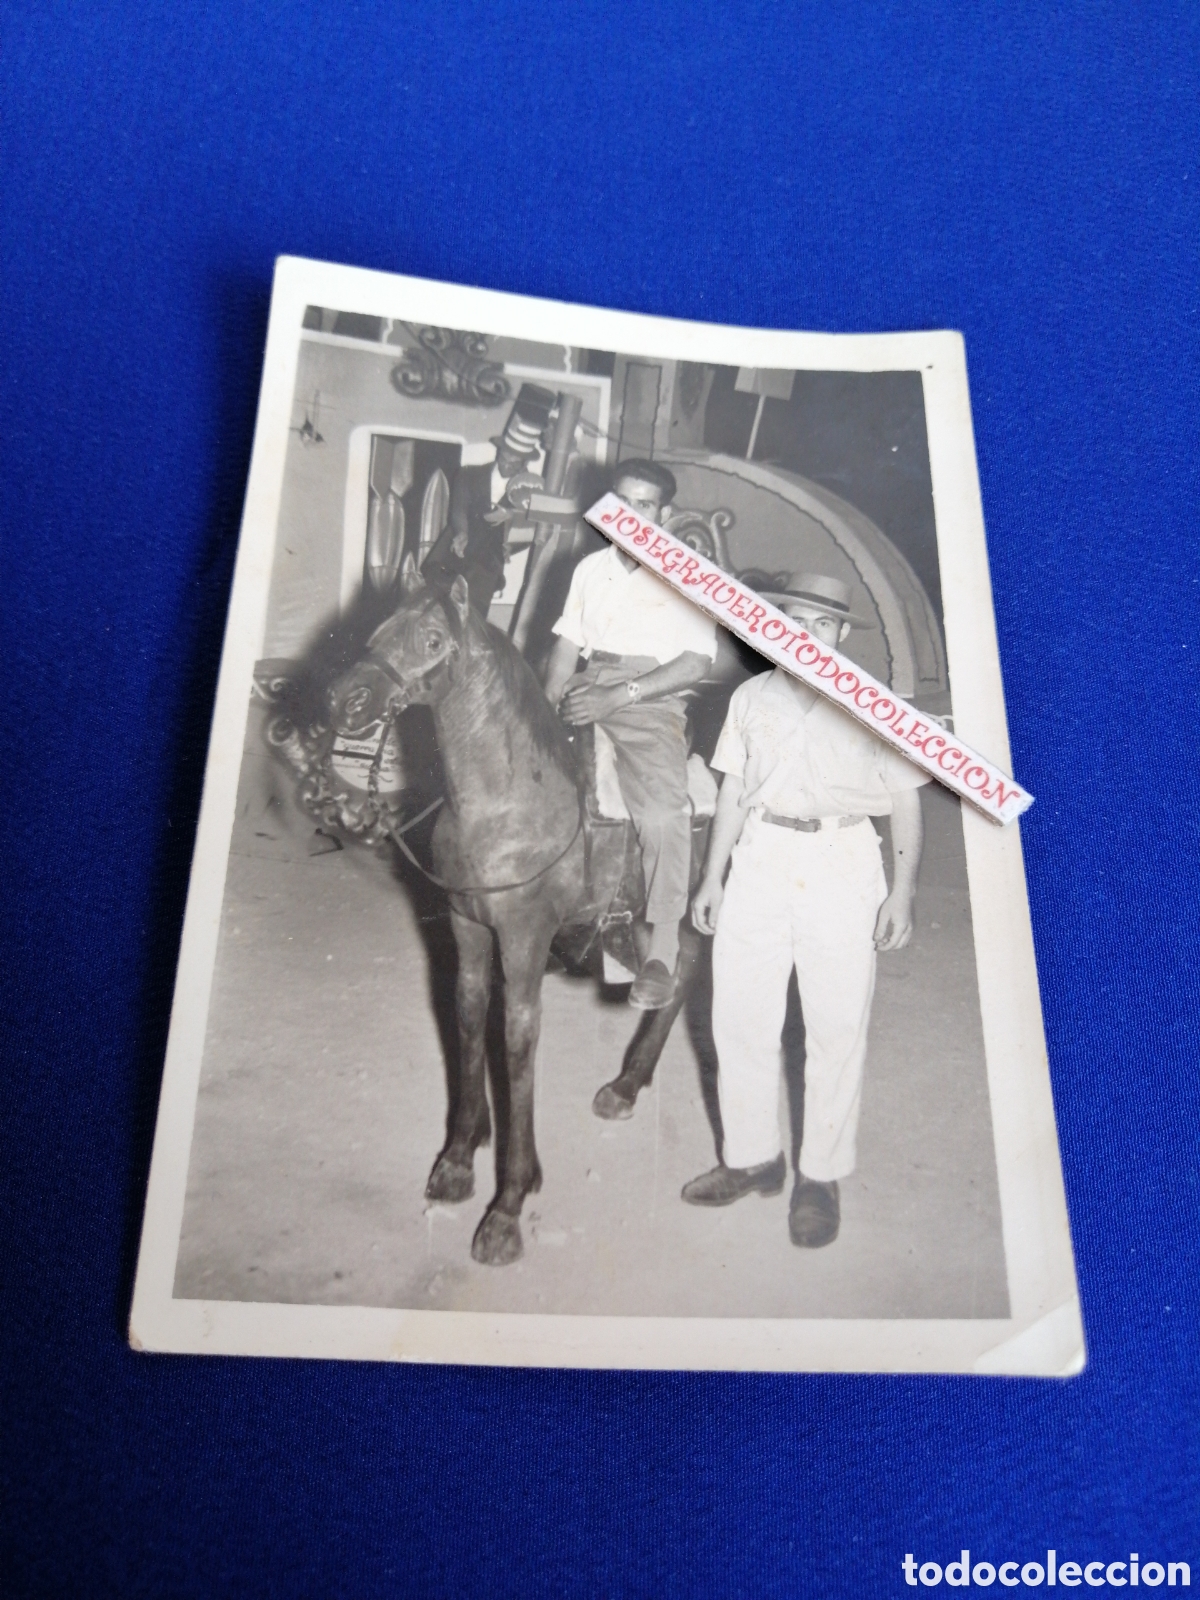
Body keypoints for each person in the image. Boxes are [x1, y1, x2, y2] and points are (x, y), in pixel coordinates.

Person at [681, 573, 929, 1247]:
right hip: (759, 860)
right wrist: (712, 879)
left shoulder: (876, 705)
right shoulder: (750, 697)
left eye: (821, 623)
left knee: (835, 1028)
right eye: (792, 620)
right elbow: (732, 791)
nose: (805, 634)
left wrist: (902, 892)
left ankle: (819, 1176)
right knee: (739, 1020)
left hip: (841, 862)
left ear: (842, 635)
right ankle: (754, 1159)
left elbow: (906, 801)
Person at [542, 460, 717, 1009]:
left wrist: (617, 697)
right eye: (622, 501)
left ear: (664, 514)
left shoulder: (688, 572)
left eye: (644, 504)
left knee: (663, 812)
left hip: (650, 697)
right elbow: (568, 645)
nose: (631, 513)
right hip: (587, 679)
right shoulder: (590, 568)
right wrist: (547, 702)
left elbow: (694, 663)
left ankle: (661, 948)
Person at [423, 383, 555, 615]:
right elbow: (458, 510)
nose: (506, 464)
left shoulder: (529, 490)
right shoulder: (469, 474)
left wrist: (511, 543)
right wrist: (462, 533)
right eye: (504, 456)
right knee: (431, 609)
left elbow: (533, 529)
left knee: (471, 617)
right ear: (498, 451)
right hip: (452, 552)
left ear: (524, 465)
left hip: (487, 565)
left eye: (514, 463)